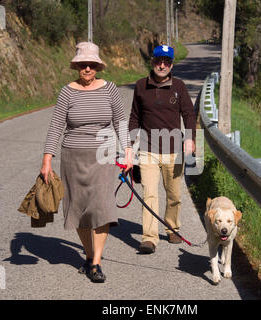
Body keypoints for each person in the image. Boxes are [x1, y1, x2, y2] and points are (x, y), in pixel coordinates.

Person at [40, 42, 133, 282]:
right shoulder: (67, 92)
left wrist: (129, 151)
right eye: (83, 65)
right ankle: (90, 256)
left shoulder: (110, 89)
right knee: (79, 209)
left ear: (98, 66)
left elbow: (121, 123)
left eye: (92, 64)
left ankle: (96, 262)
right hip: (73, 156)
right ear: (77, 67)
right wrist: (47, 160)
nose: (88, 69)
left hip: (104, 155)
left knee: (101, 207)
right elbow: (55, 128)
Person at [128, 45, 196, 254]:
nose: (162, 65)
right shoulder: (140, 86)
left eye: (166, 62)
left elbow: (189, 115)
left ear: (171, 64)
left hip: (174, 150)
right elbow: (134, 118)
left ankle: (172, 227)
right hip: (148, 149)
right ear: (152, 62)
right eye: (159, 61)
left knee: (174, 194)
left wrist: (190, 139)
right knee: (149, 193)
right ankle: (149, 238)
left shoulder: (179, 86)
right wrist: (129, 147)